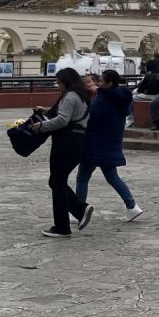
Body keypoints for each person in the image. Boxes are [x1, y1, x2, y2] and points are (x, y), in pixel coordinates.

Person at [33, 67, 94, 237]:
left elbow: (62, 120)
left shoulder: (70, 96)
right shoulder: (81, 96)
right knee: (57, 181)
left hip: (67, 142)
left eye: (59, 82)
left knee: (57, 182)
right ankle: (80, 210)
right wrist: (46, 111)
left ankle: (63, 226)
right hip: (78, 142)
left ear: (65, 82)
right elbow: (71, 115)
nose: (57, 85)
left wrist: (42, 126)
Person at [77, 70, 143, 222]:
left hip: (96, 143)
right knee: (112, 176)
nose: (98, 84)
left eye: (100, 81)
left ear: (108, 83)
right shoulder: (122, 98)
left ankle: (78, 210)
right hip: (111, 141)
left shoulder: (103, 99)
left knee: (82, 177)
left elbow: (89, 118)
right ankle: (132, 206)